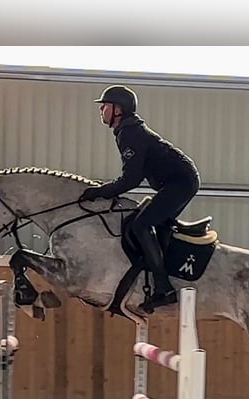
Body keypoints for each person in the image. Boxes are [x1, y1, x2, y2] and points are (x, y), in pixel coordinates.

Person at [79, 85, 201, 312]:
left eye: (104, 105)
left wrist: (100, 192)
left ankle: (164, 288)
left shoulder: (130, 133)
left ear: (118, 110)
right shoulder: (127, 131)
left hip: (180, 183)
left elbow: (130, 179)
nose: (101, 110)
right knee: (147, 222)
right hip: (179, 181)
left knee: (141, 226)